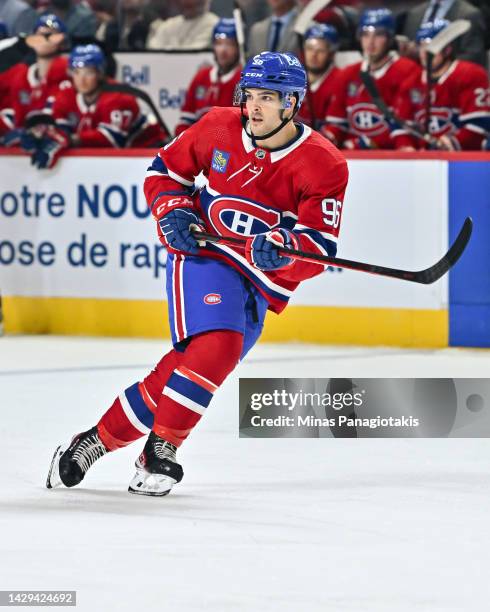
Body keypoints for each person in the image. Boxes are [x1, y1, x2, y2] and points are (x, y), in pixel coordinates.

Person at [46, 51, 349, 497]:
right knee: (219, 346)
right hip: (204, 253)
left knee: (186, 370)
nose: (255, 107)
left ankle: (91, 442)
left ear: (292, 104)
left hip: (258, 280)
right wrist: (172, 210)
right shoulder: (217, 126)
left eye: (269, 97)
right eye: (251, 95)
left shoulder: (325, 163)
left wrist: (287, 251)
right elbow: (164, 172)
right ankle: (160, 450)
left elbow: (320, 249)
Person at [24, 44, 169, 168]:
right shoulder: (67, 93)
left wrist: (71, 139)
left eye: (89, 72)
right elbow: (59, 126)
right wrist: (45, 133)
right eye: (76, 72)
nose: (81, 79)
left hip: (151, 157)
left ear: (100, 74)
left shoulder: (119, 98)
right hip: (120, 162)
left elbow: (112, 139)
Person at [324, 8, 420, 150]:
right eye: (365, 35)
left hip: (391, 156)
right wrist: (328, 138)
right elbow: (337, 123)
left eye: (378, 35)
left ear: (390, 38)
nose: (370, 42)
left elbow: (405, 127)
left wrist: (370, 143)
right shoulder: (348, 73)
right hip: (353, 156)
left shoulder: (408, 71)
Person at [393, 20, 490, 151]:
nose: (424, 53)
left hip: (464, 160)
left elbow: (479, 124)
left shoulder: (470, 75)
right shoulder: (411, 82)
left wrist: (451, 143)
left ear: (447, 49)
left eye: (431, 47)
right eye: (422, 46)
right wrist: (407, 147)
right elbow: (401, 125)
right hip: (424, 160)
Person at [0, 14, 69, 140]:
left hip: (63, 146)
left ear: (62, 42)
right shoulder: (19, 73)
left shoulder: (71, 74)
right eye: (39, 34)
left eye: (50, 35)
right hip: (19, 148)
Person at [175, 18, 242, 136]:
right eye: (219, 43)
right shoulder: (201, 77)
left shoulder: (242, 82)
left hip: (226, 148)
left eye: (230, 44)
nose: (223, 50)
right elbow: (185, 121)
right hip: (199, 145)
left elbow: (240, 127)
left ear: (239, 48)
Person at [401, 0, 487, 67]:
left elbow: (473, 55)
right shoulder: (414, 13)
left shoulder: (470, 13)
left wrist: (444, 67)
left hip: (452, 81)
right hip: (415, 79)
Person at [297, 23, 340, 131]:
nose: (313, 55)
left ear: (331, 54)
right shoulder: (294, 79)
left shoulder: (340, 80)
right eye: (310, 49)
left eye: (320, 50)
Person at [147, 0, 219, 50]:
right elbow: (153, 47)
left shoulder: (213, 23)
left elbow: (195, 50)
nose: (186, 2)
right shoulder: (169, 25)